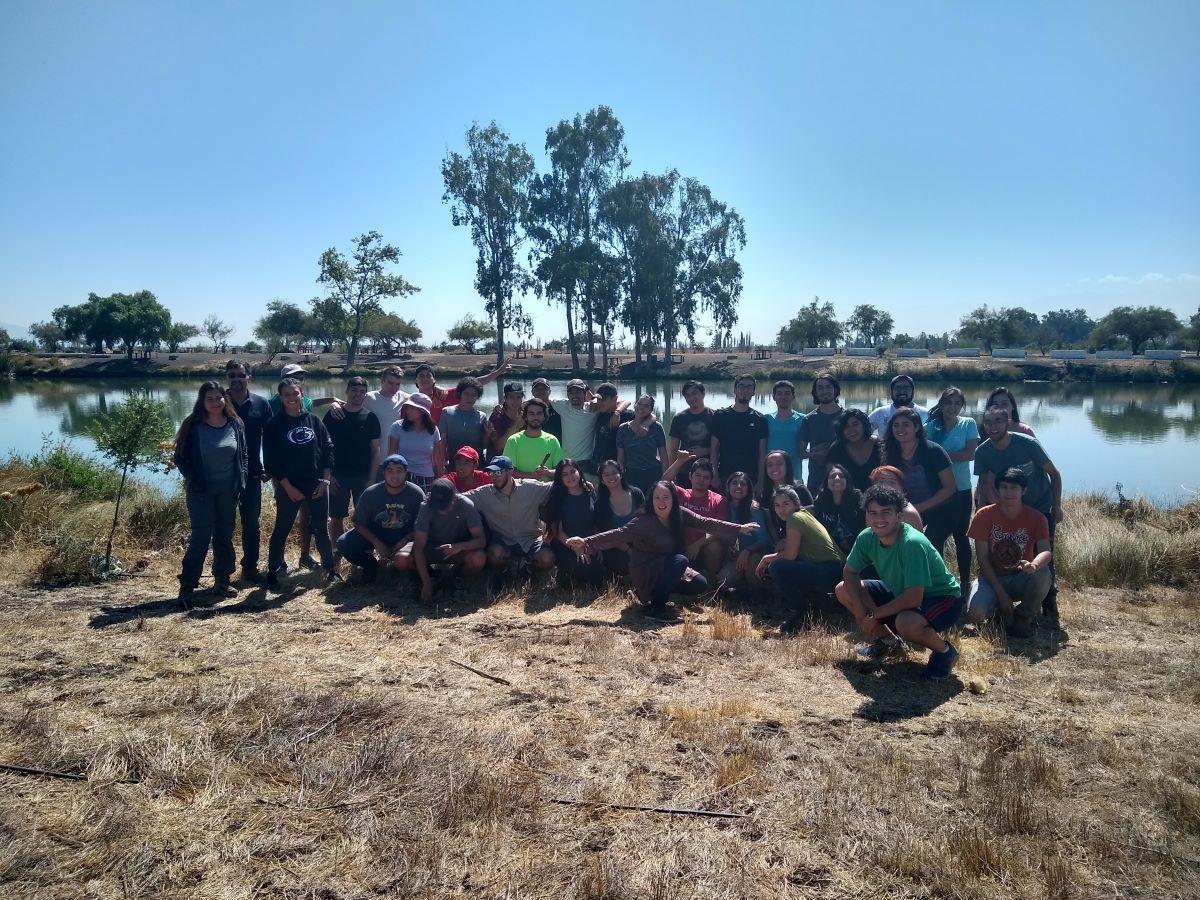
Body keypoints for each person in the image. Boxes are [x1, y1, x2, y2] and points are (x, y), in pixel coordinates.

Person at [565, 480, 759, 617]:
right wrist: (586, 541)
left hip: (667, 567)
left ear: (674, 499)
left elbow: (706, 522)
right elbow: (617, 534)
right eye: (657, 498)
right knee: (681, 560)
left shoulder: (680, 513)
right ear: (651, 500)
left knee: (700, 583)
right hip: (646, 568)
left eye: (666, 497)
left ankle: (657, 593)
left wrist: (739, 528)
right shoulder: (643, 522)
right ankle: (655, 608)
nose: (662, 502)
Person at [835, 485, 963, 679]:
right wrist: (862, 614)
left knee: (906, 622)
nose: (879, 519)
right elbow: (850, 572)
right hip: (901, 592)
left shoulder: (912, 543)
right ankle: (889, 643)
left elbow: (913, 598)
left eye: (886, 512)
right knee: (843, 589)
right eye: (873, 513)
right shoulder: (866, 537)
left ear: (899, 515)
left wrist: (874, 615)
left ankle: (945, 652)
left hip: (942, 598)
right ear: (867, 516)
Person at [974, 405, 1063, 623]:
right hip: (1006, 507)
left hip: (1039, 506)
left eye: (998, 421)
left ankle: (1047, 604)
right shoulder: (983, 451)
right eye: (988, 422)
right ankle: (998, 600)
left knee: (1043, 560)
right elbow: (984, 481)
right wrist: (980, 508)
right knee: (1004, 550)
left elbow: (1054, 473)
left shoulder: (1028, 444)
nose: (993, 426)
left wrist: (1056, 505)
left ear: (1008, 422)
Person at [173, 382, 248, 598]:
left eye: (218, 398)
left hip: (228, 491)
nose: (215, 403)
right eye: (210, 399)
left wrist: (241, 480)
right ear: (202, 402)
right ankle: (187, 586)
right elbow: (179, 457)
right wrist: (192, 477)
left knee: (224, 536)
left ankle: (222, 582)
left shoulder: (235, 424)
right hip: (200, 492)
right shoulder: (193, 425)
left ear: (225, 399)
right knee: (200, 537)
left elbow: (243, 455)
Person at [262, 377, 337, 587]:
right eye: (286, 394)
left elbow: (328, 449)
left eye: (295, 393)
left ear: (301, 394)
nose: (292, 398)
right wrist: (287, 487)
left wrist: (325, 480)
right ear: (281, 397)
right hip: (289, 486)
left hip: (317, 484)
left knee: (321, 528)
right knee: (282, 528)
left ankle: (329, 569)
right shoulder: (273, 425)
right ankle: (274, 571)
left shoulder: (314, 420)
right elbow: (271, 461)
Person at [966, 468, 1053, 638]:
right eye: (1004, 487)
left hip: (1021, 577)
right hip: (991, 579)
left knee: (1043, 572)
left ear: (1024, 490)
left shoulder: (1037, 517)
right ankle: (1000, 614)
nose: (1009, 492)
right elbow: (982, 559)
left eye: (1014, 488)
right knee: (976, 613)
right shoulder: (984, 515)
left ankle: (1023, 616)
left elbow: (1046, 552)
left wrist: (1034, 565)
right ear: (997, 490)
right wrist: (1001, 594)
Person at [882, 408, 957, 574]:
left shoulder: (934, 451)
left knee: (929, 546)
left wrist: (919, 508)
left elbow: (950, 488)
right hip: (905, 509)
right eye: (896, 425)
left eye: (906, 425)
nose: (900, 429)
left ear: (916, 427)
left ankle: (941, 587)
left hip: (940, 509)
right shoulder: (889, 453)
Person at [334, 454, 426, 584]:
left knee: (422, 546)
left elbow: (422, 524)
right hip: (378, 535)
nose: (395, 476)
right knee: (344, 543)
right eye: (390, 471)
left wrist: (406, 540)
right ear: (383, 473)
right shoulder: (371, 493)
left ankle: (414, 575)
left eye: (399, 471)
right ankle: (371, 566)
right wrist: (377, 543)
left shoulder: (416, 493)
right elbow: (358, 523)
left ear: (406, 472)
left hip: (405, 537)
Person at [925, 387, 980, 601]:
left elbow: (970, 453)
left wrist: (941, 455)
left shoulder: (968, 424)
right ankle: (939, 581)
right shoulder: (931, 427)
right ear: (941, 404)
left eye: (957, 403)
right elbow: (921, 450)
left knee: (961, 537)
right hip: (937, 491)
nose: (953, 407)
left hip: (962, 490)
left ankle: (965, 583)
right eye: (949, 402)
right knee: (934, 538)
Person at [463, 456, 556, 575]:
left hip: (530, 539)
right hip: (503, 540)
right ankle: (505, 572)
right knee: (494, 554)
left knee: (547, 558)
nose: (494, 477)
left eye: (498, 472)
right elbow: (459, 498)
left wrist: (585, 484)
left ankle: (529, 570)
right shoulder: (483, 493)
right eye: (491, 473)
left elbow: (555, 487)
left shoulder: (530, 487)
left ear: (510, 471)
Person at [223, 359, 271, 582]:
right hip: (222, 475)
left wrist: (268, 467)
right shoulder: (215, 402)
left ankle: (250, 567)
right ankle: (223, 572)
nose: (236, 379)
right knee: (223, 524)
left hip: (251, 474)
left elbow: (273, 439)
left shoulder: (260, 404)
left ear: (248, 377)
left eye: (240, 375)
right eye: (231, 375)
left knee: (251, 524)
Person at [755, 485, 845, 601]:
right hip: (838, 570)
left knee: (777, 566)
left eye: (786, 504)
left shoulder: (794, 517)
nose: (781, 509)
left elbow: (790, 555)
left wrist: (766, 558)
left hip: (831, 571)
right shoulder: (803, 514)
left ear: (796, 504)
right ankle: (818, 601)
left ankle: (800, 607)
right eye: (777, 505)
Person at [323, 377, 381, 549]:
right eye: (354, 390)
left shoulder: (370, 418)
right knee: (336, 517)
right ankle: (337, 553)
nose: (358, 394)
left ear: (365, 395)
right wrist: (329, 476)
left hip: (363, 477)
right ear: (347, 391)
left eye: (362, 391)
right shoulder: (333, 415)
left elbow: (375, 451)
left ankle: (366, 554)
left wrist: (371, 480)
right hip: (338, 476)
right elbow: (323, 448)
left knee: (365, 517)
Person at [411, 478, 487, 602]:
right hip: (432, 548)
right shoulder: (425, 507)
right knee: (404, 559)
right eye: (438, 505)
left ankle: (458, 579)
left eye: (446, 505)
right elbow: (418, 548)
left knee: (478, 558)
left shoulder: (466, 505)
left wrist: (460, 546)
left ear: (454, 497)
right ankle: (431, 579)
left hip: (458, 549)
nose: (442, 510)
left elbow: (481, 540)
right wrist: (426, 582)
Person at [665, 455, 731, 585]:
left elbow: (720, 529)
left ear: (711, 480)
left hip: (704, 549)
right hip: (681, 547)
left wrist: (697, 544)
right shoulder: (681, 494)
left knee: (715, 546)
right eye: (698, 475)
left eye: (706, 477)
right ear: (690, 476)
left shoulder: (719, 500)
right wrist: (679, 461)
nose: (701, 480)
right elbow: (664, 482)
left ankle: (711, 583)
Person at [540, 459, 607, 586]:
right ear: (560, 477)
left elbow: (594, 523)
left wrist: (596, 545)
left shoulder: (589, 489)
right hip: (566, 544)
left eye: (572, 471)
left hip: (588, 541)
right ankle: (564, 576)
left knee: (598, 574)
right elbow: (558, 532)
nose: (570, 477)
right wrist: (576, 548)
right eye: (564, 474)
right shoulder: (558, 497)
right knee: (582, 568)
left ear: (579, 472)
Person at [414, 359, 512, 426]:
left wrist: (499, 371)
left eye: (428, 375)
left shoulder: (444, 395)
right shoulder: (411, 401)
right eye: (421, 376)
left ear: (434, 379)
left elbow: (475, 383)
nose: (425, 378)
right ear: (416, 380)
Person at [711, 374, 768, 487]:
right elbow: (714, 449)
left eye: (749, 387)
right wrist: (714, 475)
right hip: (725, 476)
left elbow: (762, 453)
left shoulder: (760, 419)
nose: (745, 390)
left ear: (753, 392)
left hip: (751, 478)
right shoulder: (720, 416)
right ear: (735, 389)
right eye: (741, 386)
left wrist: (761, 481)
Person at [594, 460, 645, 576]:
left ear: (621, 474)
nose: (611, 477)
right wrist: (629, 550)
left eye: (614, 473)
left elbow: (645, 522)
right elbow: (608, 534)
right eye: (606, 475)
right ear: (602, 480)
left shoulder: (636, 493)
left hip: (639, 542)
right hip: (616, 546)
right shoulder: (600, 504)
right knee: (624, 563)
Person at [723, 471, 771, 595]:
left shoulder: (754, 509)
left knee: (753, 565)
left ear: (748, 488)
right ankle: (742, 584)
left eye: (743, 484)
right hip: (734, 556)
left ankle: (759, 591)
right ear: (728, 487)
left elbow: (764, 540)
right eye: (734, 483)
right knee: (723, 581)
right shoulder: (724, 506)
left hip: (755, 553)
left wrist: (747, 551)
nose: (739, 487)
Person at [797, 373, 844, 495]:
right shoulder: (809, 419)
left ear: (836, 389)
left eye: (828, 387)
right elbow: (801, 453)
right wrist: (816, 454)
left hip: (844, 480)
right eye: (820, 388)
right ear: (815, 392)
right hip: (816, 482)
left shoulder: (847, 418)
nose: (825, 391)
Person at [386, 393, 443, 490]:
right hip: (402, 476)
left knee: (423, 504)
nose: (408, 411)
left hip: (426, 476)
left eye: (412, 408)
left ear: (422, 411)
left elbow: (438, 459)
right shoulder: (397, 427)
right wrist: (390, 476)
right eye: (407, 408)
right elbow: (391, 455)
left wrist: (441, 479)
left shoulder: (433, 430)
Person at [616, 394, 667, 497]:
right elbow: (620, 458)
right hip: (631, 474)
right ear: (635, 405)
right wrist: (620, 479)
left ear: (651, 410)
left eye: (646, 405)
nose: (641, 407)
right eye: (639, 403)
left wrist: (666, 478)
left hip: (653, 473)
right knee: (635, 507)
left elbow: (663, 456)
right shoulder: (623, 429)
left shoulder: (656, 427)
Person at [759, 450, 813, 546]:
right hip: (783, 540)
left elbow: (811, 519)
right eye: (770, 465)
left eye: (779, 464)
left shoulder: (800, 489)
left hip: (807, 539)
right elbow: (771, 523)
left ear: (787, 466)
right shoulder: (766, 494)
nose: (774, 468)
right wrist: (777, 543)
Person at [667, 380, 716, 487]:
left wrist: (705, 450)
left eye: (694, 393)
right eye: (687, 395)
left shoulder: (715, 416)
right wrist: (673, 474)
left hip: (708, 473)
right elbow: (672, 450)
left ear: (703, 394)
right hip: (684, 471)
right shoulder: (679, 418)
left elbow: (722, 445)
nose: (691, 398)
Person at [811, 463, 866, 556]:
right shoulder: (820, 502)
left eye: (841, 476)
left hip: (857, 551)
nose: (837, 478)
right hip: (831, 553)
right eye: (832, 476)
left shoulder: (857, 498)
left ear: (847, 481)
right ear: (827, 483)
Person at [824, 409, 882, 492]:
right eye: (846, 427)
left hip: (878, 499)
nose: (851, 430)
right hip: (847, 499)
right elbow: (830, 479)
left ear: (864, 425)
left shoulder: (880, 445)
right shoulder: (836, 449)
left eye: (855, 424)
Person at [503, 398, 563, 479]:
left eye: (539, 413)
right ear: (526, 416)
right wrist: (531, 476)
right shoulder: (513, 441)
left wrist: (548, 473)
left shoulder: (553, 440)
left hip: (547, 490)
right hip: (521, 490)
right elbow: (507, 471)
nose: (535, 417)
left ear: (544, 416)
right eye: (531, 413)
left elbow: (562, 471)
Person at [440, 376, 493, 459]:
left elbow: (484, 445)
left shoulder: (482, 416)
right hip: (455, 463)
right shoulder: (447, 412)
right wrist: (441, 462)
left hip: (476, 464)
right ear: (459, 394)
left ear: (477, 396)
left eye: (473, 395)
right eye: (466, 393)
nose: (469, 398)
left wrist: (488, 434)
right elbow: (442, 442)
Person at [590, 383, 635, 476]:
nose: (599, 402)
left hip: (618, 468)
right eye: (598, 399)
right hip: (598, 465)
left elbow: (651, 417)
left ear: (614, 399)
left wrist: (617, 413)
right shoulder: (598, 412)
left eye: (603, 399)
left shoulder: (627, 415)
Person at [869, 465, 925, 531]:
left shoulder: (908, 513)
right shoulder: (870, 510)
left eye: (892, 482)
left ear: (901, 487)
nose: (886, 486)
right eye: (881, 481)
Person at [765, 380, 804, 474]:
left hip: (794, 476)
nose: (783, 397)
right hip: (771, 476)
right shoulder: (766, 419)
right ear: (774, 397)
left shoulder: (803, 420)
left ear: (793, 396)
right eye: (779, 394)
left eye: (787, 393)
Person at [361, 365, 409, 435]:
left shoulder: (405, 398)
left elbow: (424, 401)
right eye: (390, 383)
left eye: (397, 384)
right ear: (382, 381)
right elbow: (349, 406)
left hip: (397, 445)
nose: (394, 387)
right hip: (375, 445)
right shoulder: (369, 397)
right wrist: (338, 404)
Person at [488, 382, 526, 458]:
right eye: (511, 397)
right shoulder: (497, 416)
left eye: (518, 397)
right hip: (498, 462)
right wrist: (516, 424)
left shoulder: (526, 413)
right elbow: (499, 447)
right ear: (505, 398)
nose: (515, 401)